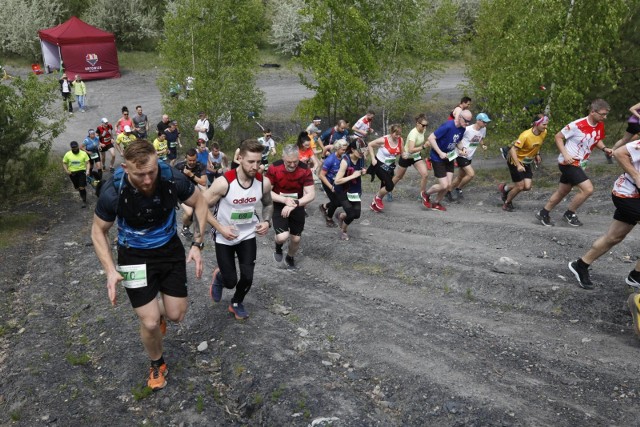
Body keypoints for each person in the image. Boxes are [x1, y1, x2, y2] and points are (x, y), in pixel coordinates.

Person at [91, 140, 208, 391]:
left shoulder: (170, 177)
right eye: (139, 174)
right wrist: (111, 271)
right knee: (150, 322)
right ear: (125, 168)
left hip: (168, 250)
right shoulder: (114, 190)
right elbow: (98, 232)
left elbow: (200, 203)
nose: (147, 180)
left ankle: (161, 312)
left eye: (151, 172)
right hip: (133, 256)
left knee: (176, 315)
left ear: (158, 163)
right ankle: (157, 363)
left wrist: (198, 244)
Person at [201, 139, 274, 319]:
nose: (255, 166)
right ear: (240, 158)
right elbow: (200, 206)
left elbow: (268, 204)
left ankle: (236, 302)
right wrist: (220, 228)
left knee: (248, 277)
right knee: (230, 281)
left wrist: (266, 221)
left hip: (248, 235)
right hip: (224, 236)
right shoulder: (224, 183)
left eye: (258, 162)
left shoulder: (263, 182)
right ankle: (220, 278)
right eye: (250, 161)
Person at [568, 141, 640, 292]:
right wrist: (636, 176)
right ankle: (637, 276)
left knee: (614, 237)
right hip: (627, 194)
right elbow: (619, 152)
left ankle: (581, 265)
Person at [535, 99, 613, 226]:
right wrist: (566, 155)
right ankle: (570, 213)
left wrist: (605, 148)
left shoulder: (599, 124)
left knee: (563, 191)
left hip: (580, 163)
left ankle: (543, 213)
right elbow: (558, 137)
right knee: (588, 189)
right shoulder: (577, 125)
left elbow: (596, 139)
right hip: (569, 163)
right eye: (602, 114)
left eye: (606, 114)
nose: (605, 117)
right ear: (593, 112)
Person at [266, 144, 316, 270]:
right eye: (289, 162)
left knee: (296, 238)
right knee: (282, 236)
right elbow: (266, 192)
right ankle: (278, 247)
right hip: (278, 203)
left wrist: (294, 204)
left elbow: (311, 194)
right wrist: (284, 200)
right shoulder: (274, 168)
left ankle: (290, 257)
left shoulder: (305, 169)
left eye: (295, 161)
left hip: (297, 204)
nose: (293, 165)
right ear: (283, 158)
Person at [422, 110, 473, 211]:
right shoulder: (448, 126)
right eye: (466, 121)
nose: (467, 124)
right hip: (437, 157)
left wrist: (462, 148)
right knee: (443, 185)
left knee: (448, 185)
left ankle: (436, 203)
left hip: (449, 156)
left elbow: (457, 141)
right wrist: (440, 152)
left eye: (469, 122)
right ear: (460, 118)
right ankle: (426, 194)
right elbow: (431, 138)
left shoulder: (462, 129)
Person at [498, 114, 548, 211]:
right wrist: (518, 165)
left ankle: (505, 189)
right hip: (515, 161)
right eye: (544, 125)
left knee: (527, 186)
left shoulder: (544, 132)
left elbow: (537, 145)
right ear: (536, 124)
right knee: (520, 186)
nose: (546, 127)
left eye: (546, 124)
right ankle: (507, 203)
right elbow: (512, 150)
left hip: (527, 162)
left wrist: (537, 154)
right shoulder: (525, 135)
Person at [448, 113, 490, 202]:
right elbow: (457, 140)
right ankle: (458, 189)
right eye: (484, 122)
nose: (486, 124)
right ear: (478, 121)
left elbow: (481, 138)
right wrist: (459, 150)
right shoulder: (467, 129)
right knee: (471, 174)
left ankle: (448, 191)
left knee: (460, 177)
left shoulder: (483, 129)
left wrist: (483, 145)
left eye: (487, 122)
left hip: (469, 156)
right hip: (461, 155)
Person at [333, 138, 367, 240]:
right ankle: (343, 231)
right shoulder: (345, 161)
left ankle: (341, 215)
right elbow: (337, 181)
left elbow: (360, 170)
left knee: (357, 215)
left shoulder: (361, 158)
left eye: (363, 150)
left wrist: (363, 171)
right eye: (359, 150)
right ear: (352, 149)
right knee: (351, 214)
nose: (362, 153)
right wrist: (353, 176)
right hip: (342, 190)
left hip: (354, 190)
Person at [394, 114, 430, 206]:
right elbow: (410, 149)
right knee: (398, 177)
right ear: (417, 124)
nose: (425, 127)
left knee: (425, 174)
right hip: (407, 156)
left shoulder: (423, 130)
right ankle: (387, 189)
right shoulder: (413, 133)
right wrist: (423, 146)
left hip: (416, 157)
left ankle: (422, 195)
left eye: (426, 125)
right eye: (423, 125)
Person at [367, 124, 404, 213]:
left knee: (384, 186)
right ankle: (377, 198)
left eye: (399, 134)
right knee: (389, 186)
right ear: (391, 133)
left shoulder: (400, 140)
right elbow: (370, 145)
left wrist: (406, 155)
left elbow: (402, 152)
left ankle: (374, 204)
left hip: (389, 165)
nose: (398, 136)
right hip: (379, 164)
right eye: (396, 134)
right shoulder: (384, 140)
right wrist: (372, 158)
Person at [175, 148, 208, 239]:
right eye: (190, 160)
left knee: (205, 191)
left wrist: (191, 175)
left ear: (196, 158)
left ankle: (191, 226)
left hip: (193, 191)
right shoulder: (179, 166)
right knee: (189, 212)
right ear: (186, 158)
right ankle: (184, 228)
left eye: (194, 160)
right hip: (181, 192)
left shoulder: (201, 166)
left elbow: (203, 182)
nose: (192, 162)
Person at [318, 139, 349, 227]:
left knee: (340, 202)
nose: (344, 151)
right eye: (343, 150)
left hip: (338, 182)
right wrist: (331, 187)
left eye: (345, 150)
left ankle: (324, 207)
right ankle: (328, 218)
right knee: (335, 202)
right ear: (337, 149)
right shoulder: (330, 160)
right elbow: (321, 175)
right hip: (328, 182)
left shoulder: (345, 158)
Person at [62, 141, 91, 207]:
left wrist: (88, 170)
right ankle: (82, 193)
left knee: (81, 187)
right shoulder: (67, 154)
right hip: (72, 173)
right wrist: (66, 170)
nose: (75, 148)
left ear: (78, 146)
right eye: (73, 147)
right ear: (71, 147)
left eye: (76, 147)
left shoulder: (83, 153)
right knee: (77, 188)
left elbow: (87, 163)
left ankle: (84, 201)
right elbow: (64, 163)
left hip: (81, 172)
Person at [81, 129, 103, 195]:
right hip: (90, 153)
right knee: (91, 166)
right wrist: (87, 152)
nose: (93, 135)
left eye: (94, 134)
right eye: (92, 134)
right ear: (89, 134)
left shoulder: (97, 138)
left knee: (99, 166)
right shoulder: (86, 140)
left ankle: (99, 179)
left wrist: (100, 146)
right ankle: (90, 177)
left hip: (96, 152)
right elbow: (81, 147)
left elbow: (99, 143)